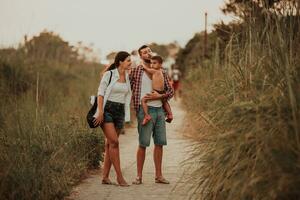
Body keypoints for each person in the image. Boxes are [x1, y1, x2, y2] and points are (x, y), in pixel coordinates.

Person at [129, 45, 174, 185]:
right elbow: (127, 88)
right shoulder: (136, 71)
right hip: (145, 110)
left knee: (159, 144)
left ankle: (159, 176)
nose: (148, 53)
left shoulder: (162, 71)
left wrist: (159, 95)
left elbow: (171, 92)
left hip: (160, 111)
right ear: (140, 56)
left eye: (149, 51)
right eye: (144, 52)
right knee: (143, 144)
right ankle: (138, 176)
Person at [93, 51, 132, 187]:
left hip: (120, 111)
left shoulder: (127, 76)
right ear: (120, 62)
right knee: (114, 142)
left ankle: (105, 177)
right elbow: (100, 93)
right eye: (128, 60)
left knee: (110, 144)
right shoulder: (109, 75)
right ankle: (120, 177)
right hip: (107, 110)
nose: (130, 62)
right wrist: (101, 112)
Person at [141, 55, 173, 125]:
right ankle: (170, 114)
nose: (152, 65)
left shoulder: (155, 71)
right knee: (165, 102)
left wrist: (142, 64)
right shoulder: (162, 71)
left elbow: (146, 69)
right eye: (151, 63)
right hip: (162, 91)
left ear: (160, 64)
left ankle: (147, 116)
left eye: (154, 63)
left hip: (156, 91)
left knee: (143, 100)